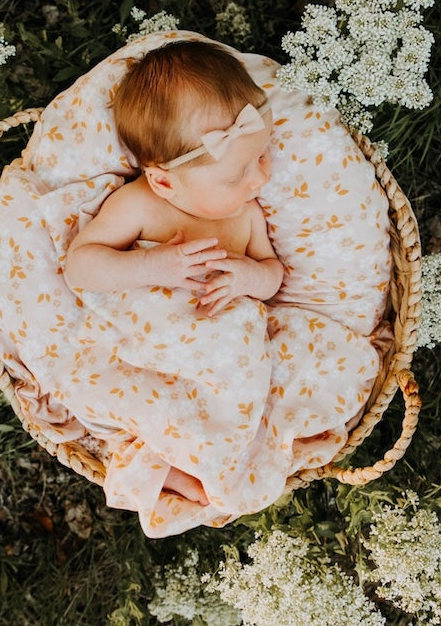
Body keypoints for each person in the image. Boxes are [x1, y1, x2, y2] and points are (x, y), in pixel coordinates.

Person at [63, 40, 285, 505]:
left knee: (246, 405)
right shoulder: (139, 205)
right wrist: (151, 265)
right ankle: (166, 460)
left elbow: (273, 277)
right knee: (112, 392)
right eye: (238, 173)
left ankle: (187, 463)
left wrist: (247, 276)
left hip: (221, 359)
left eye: (261, 157)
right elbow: (80, 267)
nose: (259, 180)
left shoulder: (246, 214)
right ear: (164, 181)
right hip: (144, 353)